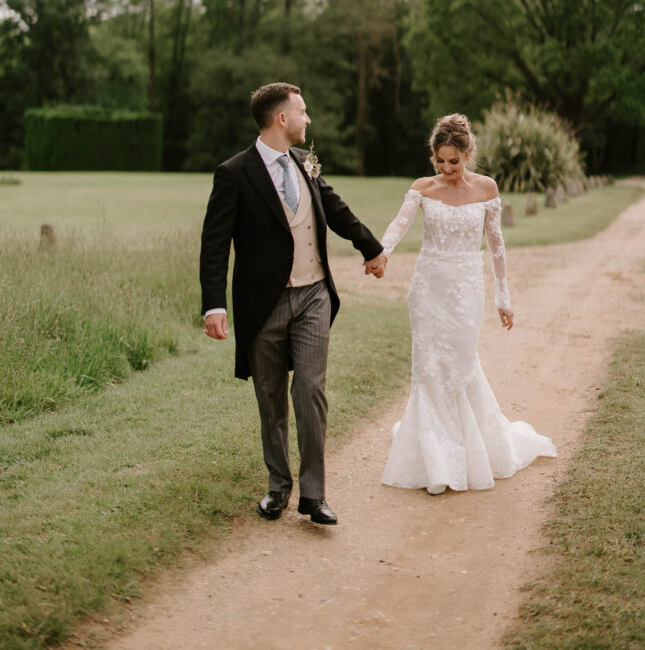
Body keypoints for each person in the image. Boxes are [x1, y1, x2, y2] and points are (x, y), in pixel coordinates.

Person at [200, 82, 387, 525]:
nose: (308, 119)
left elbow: (334, 208)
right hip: (263, 304)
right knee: (270, 399)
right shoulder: (234, 172)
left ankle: (314, 495)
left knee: (310, 391)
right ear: (281, 118)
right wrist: (213, 305)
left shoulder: (306, 162)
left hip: (313, 295)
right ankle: (278, 487)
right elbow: (214, 244)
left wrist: (371, 247)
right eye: (302, 112)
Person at [379, 113, 556, 494]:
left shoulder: (487, 189)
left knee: (459, 364)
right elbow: (399, 224)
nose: (446, 169)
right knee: (428, 367)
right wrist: (381, 252)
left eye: (453, 162)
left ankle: (469, 448)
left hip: (465, 289)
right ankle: (436, 459)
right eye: (439, 161)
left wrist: (503, 297)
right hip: (428, 287)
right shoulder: (423, 189)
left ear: (467, 154)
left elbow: (496, 246)